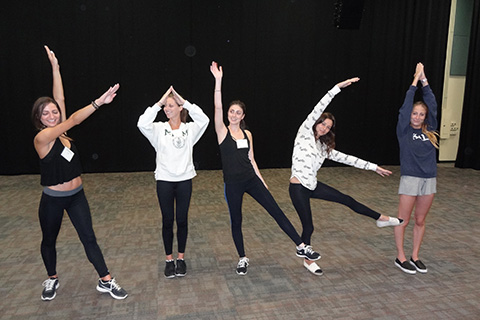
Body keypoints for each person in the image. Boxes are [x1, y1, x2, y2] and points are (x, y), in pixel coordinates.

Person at [32, 46, 127, 301]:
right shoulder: (43, 137)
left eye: (54, 112)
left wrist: (55, 69)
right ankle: (51, 278)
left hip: (76, 195)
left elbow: (60, 99)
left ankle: (105, 279)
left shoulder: (61, 132)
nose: (52, 115)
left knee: (89, 238)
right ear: (39, 119)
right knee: (49, 240)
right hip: (53, 199)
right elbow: (73, 118)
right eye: (46, 113)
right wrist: (99, 102)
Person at [210, 61, 320, 276]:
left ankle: (300, 245)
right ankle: (242, 258)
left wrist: (261, 180)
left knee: (275, 210)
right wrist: (218, 81)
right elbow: (217, 107)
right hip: (232, 183)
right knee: (236, 220)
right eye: (231, 111)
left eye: (238, 112)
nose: (233, 114)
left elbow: (252, 159)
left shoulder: (248, 134)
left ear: (243, 116)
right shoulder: (222, 131)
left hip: (251, 179)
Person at [289, 77, 404, 276]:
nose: (324, 128)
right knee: (309, 225)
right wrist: (336, 88)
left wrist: (373, 167)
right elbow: (319, 106)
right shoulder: (304, 133)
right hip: (298, 188)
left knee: (347, 199)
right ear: (316, 123)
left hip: (313, 185)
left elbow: (348, 159)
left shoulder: (324, 147)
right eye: (322, 124)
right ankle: (308, 261)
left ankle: (381, 218)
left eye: (328, 127)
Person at [137, 86, 209, 278]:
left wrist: (185, 102)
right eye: (165, 106)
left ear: (179, 108)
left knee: (182, 220)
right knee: (168, 220)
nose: (166, 109)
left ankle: (181, 258)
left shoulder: (190, 129)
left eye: (171, 105)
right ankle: (169, 260)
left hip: (185, 181)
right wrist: (158, 103)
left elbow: (204, 119)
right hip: (164, 181)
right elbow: (141, 122)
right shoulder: (158, 129)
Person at [394, 63, 438, 275]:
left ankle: (415, 255)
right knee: (403, 220)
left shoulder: (430, 130)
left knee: (420, 220)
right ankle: (400, 256)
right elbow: (404, 107)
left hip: (428, 179)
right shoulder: (403, 131)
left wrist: (424, 80)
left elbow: (432, 103)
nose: (417, 117)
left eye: (421, 114)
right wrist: (415, 80)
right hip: (410, 178)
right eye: (414, 113)